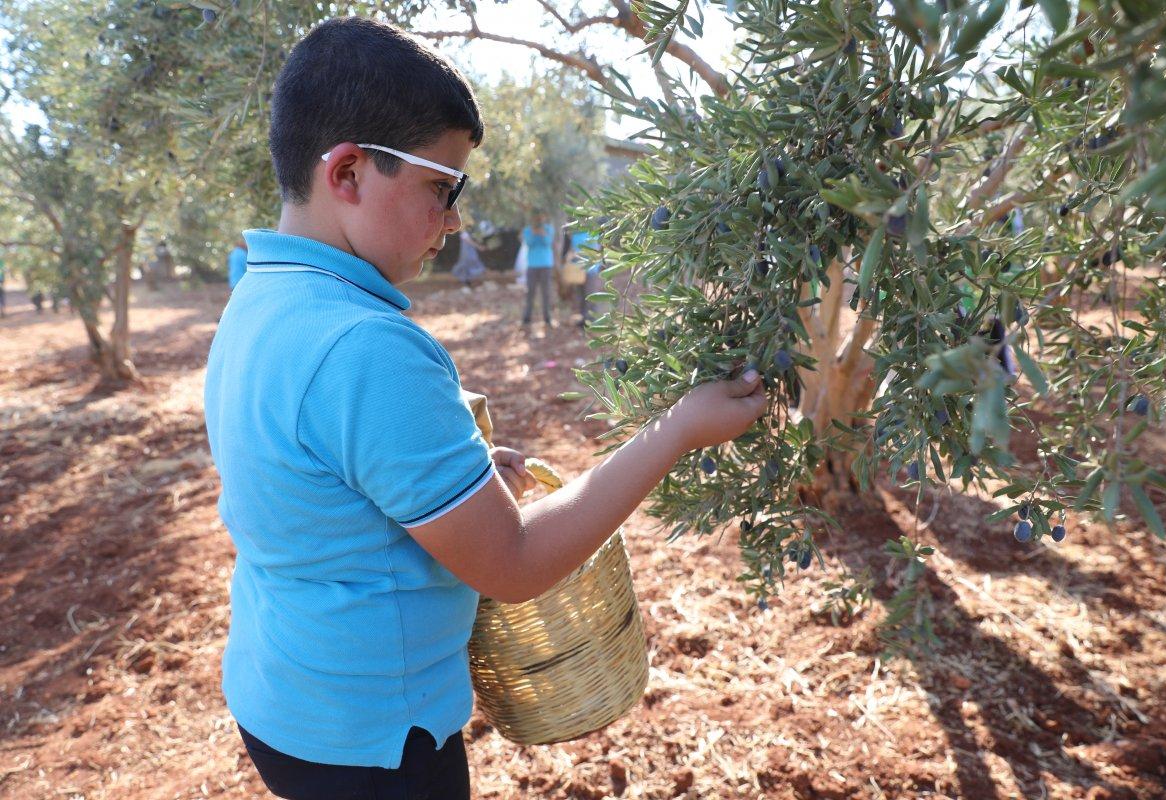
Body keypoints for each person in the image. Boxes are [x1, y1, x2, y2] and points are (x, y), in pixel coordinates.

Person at [202, 17, 767, 800]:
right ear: (348, 173)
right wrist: (680, 429)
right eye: (443, 187)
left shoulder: (262, 298)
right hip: (375, 746)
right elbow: (514, 564)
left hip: (287, 703)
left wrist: (451, 482)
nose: (457, 220)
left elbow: (321, 482)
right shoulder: (367, 347)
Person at [520, 212, 555, 328]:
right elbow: (529, 243)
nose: (539, 220)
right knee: (530, 293)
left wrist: (543, 234)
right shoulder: (527, 230)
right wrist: (534, 234)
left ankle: (547, 318)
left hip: (546, 265)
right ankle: (527, 318)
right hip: (532, 265)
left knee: (546, 293)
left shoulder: (549, 229)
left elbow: (548, 243)